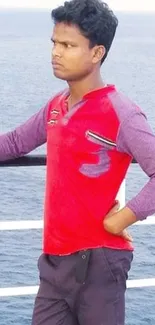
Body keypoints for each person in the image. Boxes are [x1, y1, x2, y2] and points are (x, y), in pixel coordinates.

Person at [0, 0, 155, 324]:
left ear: (97, 53)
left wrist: (122, 219)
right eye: (55, 43)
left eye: (68, 45)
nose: (56, 52)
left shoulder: (121, 113)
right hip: (54, 263)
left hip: (98, 262)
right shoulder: (57, 106)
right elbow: (14, 143)